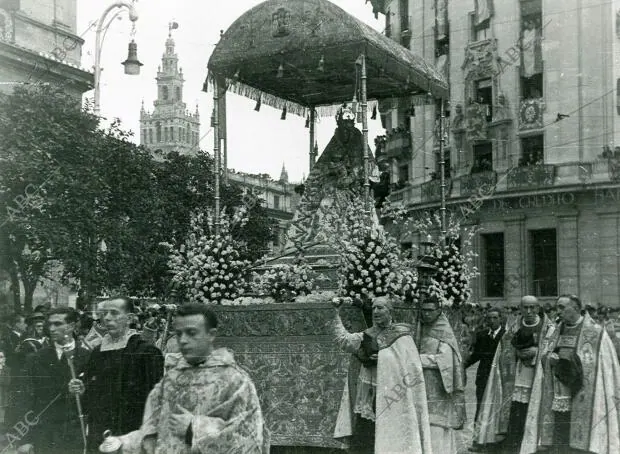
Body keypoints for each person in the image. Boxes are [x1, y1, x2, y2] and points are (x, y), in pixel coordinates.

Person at [116, 303, 266, 453]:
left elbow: (250, 439)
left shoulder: (235, 381)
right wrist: (122, 443)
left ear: (211, 335)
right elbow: (153, 434)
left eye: (191, 333)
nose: (183, 340)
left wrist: (194, 428)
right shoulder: (170, 380)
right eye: (179, 334)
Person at [332, 295, 432, 454]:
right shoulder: (367, 334)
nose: (375, 312)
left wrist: (384, 358)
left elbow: (413, 368)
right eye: (373, 308)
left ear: (390, 311)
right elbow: (344, 341)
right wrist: (336, 314)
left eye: (380, 308)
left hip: (392, 397)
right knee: (366, 439)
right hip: (368, 396)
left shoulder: (402, 335)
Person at [521, 295, 620, 454]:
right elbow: (544, 356)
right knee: (561, 429)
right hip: (557, 390)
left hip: (581, 388)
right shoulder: (554, 330)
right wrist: (548, 359)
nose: (557, 311)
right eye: (557, 307)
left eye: (561, 307)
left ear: (576, 308)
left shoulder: (595, 332)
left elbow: (604, 367)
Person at [68, 297, 164, 453]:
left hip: (131, 436)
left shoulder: (146, 352)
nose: (106, 318)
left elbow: (156, 402)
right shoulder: (97, 353)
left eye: (113, 313)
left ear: (130, 318)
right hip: (100, 435)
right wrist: (81, 390)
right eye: (104, 313)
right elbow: (89, 400)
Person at [474, 295, 555, 453]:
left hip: (538, 378)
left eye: (533, 307)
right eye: (525, 307)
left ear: (538, 308)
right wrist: (517, 353)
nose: (529, 311)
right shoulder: (513, 329)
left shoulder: (549, 328)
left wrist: (537, 352)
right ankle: (515, 443)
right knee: (516, 410)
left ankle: (535, 443)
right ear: (520, 309)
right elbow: (504, 351)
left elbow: (552, 350)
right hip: (518, 376)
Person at [17, 307, 90, 454]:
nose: (51, 328)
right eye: (49, 324)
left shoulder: (88, 356)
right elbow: (25, 400)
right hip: (45, 435)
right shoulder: (35, 359)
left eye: (58, 324)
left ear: (72, 326)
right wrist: (24, 440)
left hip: (76, 435)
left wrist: (83, 391)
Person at [418, 293, 466, 454]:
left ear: (438, 311)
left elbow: (445, 360)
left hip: (439, 385)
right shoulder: (420, 327)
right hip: (421, 383)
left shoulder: (444, 330)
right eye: (424, 310)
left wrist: (419, 359)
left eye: (430, 310)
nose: (426, 313)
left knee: (437, 426)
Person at [465, 307, 505, 451]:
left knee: (498, 408)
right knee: (481, 408)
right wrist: (462, 365)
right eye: (489, 318)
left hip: (501, 378)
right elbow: (476, 355)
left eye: (495, 318)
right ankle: (478, 441)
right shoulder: (482, 335)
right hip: (483, 377)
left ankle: (496, 442)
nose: (492, 321)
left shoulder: (506, 335)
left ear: (501, 319)